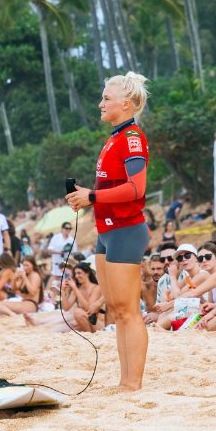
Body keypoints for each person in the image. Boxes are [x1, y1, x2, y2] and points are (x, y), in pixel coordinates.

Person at [66, 71, 152, 392]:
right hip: (107, 230)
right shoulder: (115, 137)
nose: (100, 103)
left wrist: (92, 196)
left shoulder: (132, 138)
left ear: (127, 104)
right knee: (116, 310)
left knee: (129, 311)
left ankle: (133, 384)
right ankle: (124, 381)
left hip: (126, 231)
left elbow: (136, 189)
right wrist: (87, 196)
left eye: (106, 98)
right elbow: (112, 186)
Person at [47, 222, 75, 286]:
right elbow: (49, 250)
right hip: (56, 266)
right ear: (62, 228)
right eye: (66, 228)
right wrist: (58, 252)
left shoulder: (71, 240)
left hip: (66, 267)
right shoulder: (55, 238)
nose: (68, 230)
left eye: (70, 228)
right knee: (54, 285)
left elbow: (74, 253)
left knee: (65, 285)